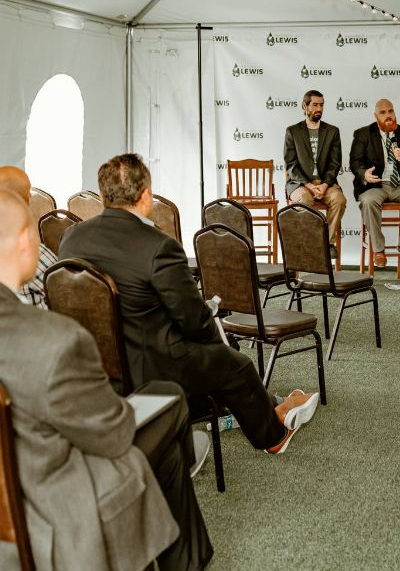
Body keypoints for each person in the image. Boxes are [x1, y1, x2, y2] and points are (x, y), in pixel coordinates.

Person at [0, 188, 213, 571]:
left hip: (13, 494)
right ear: (24, 241)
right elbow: (111, 436)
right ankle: (188, 561)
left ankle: (189, 557)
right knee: (167, 412)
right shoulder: (54, 339)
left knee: (163, 409)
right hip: (54, 510)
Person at [59, 153, 320, 456]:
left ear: (104, 195)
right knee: (234, 364)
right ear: (145, 195)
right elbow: (195, 323)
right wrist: (214, 338)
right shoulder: (158, 246)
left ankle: (255, 405)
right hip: (151, 369)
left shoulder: (72, 238)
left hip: (93, 361)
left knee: (216, 357)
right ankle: (273, 435)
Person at [349, 99, 400, 266]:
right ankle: (379, 250)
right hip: (376, 185)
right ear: (376, 116)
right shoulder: (363, 134)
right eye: (383, 112)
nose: (388, 116)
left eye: (390, 111)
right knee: (368, 201)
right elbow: (355, 162)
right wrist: (364, 174)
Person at [284, 89, 346, 257]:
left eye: (322, 105)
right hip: (300, 184)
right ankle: (309, 244)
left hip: (326, 183)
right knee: (304, 199)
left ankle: (327, 243)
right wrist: (309, 185)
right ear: (305, 106)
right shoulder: (293, 131)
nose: (319, 108)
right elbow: (291, 165)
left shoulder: (332, 131)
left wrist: (325, 185)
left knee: (339, 200)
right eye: (315, 105)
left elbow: (335, 163)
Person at [0, 165, 57, 307]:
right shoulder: (30, 251)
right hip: (30, 319)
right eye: (28, 192)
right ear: (20, 199)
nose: (31, 196)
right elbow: (64, 289)